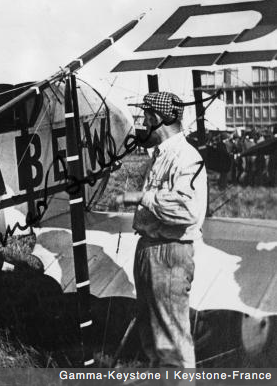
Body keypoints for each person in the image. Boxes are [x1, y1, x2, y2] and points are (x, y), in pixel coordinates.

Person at [117, 92, 207, 368]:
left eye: (145, 115)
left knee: (171, 342)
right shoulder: (162, 155)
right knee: (153, 338)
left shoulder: (186, 157)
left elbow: (187, 211)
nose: (143, 121)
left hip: (169, 252)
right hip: (150, 248)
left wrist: (141, 197)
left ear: (157, 118)